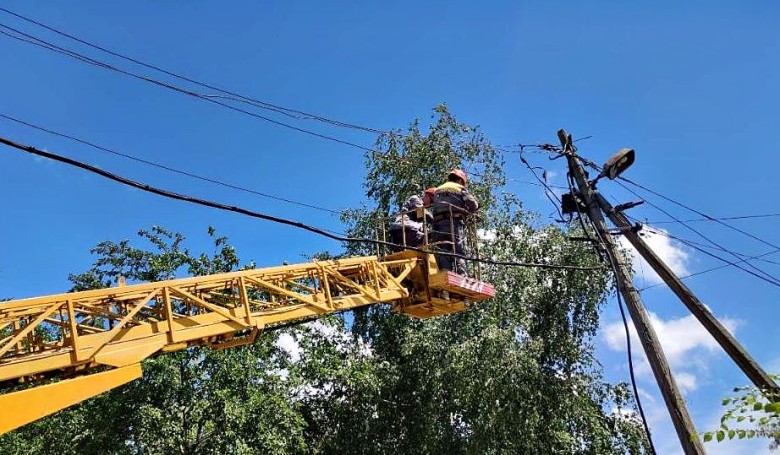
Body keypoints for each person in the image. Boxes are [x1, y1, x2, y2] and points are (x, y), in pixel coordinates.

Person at [430, 169, 479, 273]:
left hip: (438, 224)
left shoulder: (438, 189)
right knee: (458, 249)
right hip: (453, 222)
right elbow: (473, 204)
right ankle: (462, 275)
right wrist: (467, 211)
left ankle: (445, 271)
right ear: (460, 181)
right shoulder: (459, 188)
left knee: (442, 249)